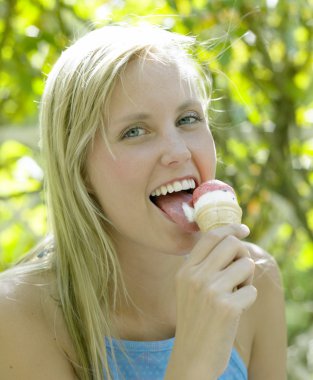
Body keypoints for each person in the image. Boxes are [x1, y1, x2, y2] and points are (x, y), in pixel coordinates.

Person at [0, 23, 287, 379]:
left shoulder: (255, 282)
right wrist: (194, 363)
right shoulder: (15, 315)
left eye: (188, 119)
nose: (178, 151)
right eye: (135, 131)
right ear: (80, 170)